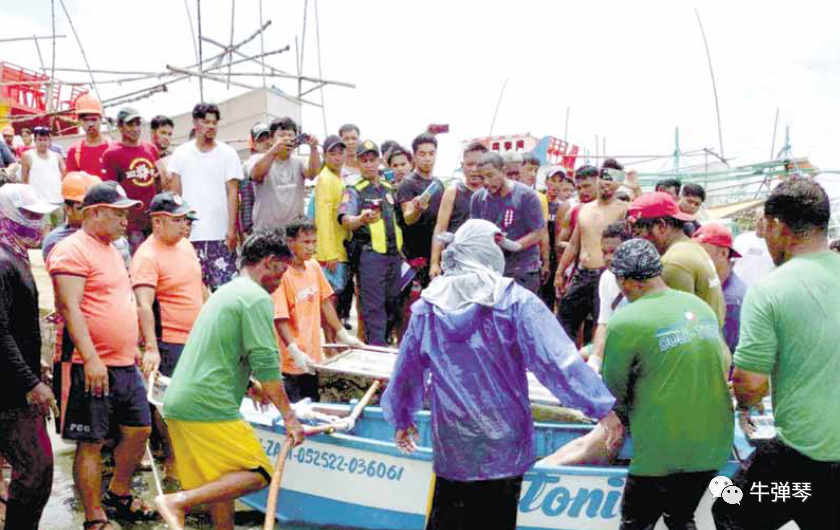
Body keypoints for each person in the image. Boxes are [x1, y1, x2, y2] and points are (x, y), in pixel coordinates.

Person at [382, 219, 623, 530]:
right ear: (485, 252)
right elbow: (559, 363)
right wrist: (602, 408)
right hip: (505, 443)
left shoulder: (429, 307)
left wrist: (403, 417)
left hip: (454, 442)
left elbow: (407, 369)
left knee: (448, 516)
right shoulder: (515, 301)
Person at [154, 228, 306, 530]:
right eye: (282, 270)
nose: (281, 280)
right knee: (259, 472)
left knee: (221, 481)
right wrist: (289, 417)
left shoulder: (228, 291)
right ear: (268, 261)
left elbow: (218, 349)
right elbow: (267, 365)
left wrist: (249, 385)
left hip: (180, 402)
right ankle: (177, 502)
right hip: (208, 405)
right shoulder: (255, 298)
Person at [713, 179, 840, 530]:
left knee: (729, 507)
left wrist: (744, 403)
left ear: (776, 227)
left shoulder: (771, 290)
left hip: (806, 456)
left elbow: (751, 384)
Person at [602, 238, 733, 530]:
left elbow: (613, 390)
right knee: (681, 518)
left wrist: (618, 417)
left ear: (623, 280)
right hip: (713, 445)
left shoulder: (626, 321)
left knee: (636, 523)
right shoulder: (699, 306)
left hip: (663, 450)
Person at [47, 181, 156, 529]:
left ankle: (119, 493)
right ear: (95, 213)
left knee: (139, 428)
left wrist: (135, 346)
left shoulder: (112, 248)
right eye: (118, 214)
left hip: (123, 361)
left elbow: (118, 302)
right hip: (87, 364)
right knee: (91, 440)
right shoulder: (71, 249)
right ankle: (95, 518)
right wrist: (90, 357)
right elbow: (69, 306)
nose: (126, 221)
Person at [0, 184, 59, 530]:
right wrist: (31, 381)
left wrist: (34, 363)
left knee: (35, 470)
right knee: (36, 469)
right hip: (11, 391)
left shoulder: (15, 256)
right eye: (31, 216)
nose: (37, 224)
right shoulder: (5, 261)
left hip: (16, 381)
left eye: (40, 216)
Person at [273, 218, 366, 402]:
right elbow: (279, 318)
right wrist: (294, 350)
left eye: (314, 242)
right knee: (295, 412)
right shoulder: (281, 275)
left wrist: (342, 334)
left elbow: (325, 302)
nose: (311, 247)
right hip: (290, 362)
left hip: (313, 356)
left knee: (312, 406)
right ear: (291, 243)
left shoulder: (314, 267)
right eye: (306, 242)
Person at [167, 103, 242, 290]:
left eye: (214, 123)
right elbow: (175, 195)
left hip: (221, 237)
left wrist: (232, 230)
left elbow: (233, 192)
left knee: (225, 291)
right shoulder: (181, 153)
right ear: (195, 122)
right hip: (189, 236)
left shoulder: (228, 153)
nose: (211, 126)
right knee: (193, 290)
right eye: (206, 122)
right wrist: (179, 228)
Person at [339, 140, 404, 346]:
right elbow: (345, 220)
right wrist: (361, 219)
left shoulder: (388, 188)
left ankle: (385, 347)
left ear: (380, 160)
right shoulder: (354, 190)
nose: (369, 164)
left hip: (395, 257)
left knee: (393, 304)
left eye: (372, 159)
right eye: (364, 160)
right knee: (373, 309)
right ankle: (377, 354)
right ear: (357, 163)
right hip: (370, 257)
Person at [629, 191, 726, 325]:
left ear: (661, 226)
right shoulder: (691, 247)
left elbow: (678, 327)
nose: (638, 240)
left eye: (639, 232)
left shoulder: (673, 263)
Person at [556, 164, 628, 342]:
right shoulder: (584, 209)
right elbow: (573, 244)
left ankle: (596, 365)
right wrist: (560, 272)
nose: (605, 185)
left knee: (601, 326)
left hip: (607, 274)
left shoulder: (624, 209)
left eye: (610, 182)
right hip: (582, 274)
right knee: (564, 321)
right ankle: (568, 365)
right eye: (603, 181)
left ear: (618, 183)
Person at [470, 152, 546, 293]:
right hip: (491, 270)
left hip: (523, 269)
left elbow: (538, 232)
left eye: (490, 175)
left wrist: (513, 245)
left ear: (503, 171)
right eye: (481, 178)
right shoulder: (478, 198)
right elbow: (474, 230)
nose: (486, 182)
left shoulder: (526, 195)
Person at [101, 107, 161, 254]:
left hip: (154, 220)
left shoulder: (151, 149)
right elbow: (110, 193)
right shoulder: (112, 154)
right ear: (120, 127)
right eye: (130, 124)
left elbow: (159, 183)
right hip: (131, 223)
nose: (135, 129)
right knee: (137, 261)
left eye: (137, 124)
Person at [429, 141, 488, 279]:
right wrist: (434, 263)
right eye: (469, 164)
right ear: (462, 166)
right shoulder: (453, 191)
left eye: (478, 165)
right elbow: (440, 229)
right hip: (455, 263)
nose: (474, 169)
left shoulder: (493, 193)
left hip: (484, 262)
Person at [250, 117, 320, 231]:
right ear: (271, 139)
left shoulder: (299, 161)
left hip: (293, 234)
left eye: (290, 135)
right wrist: (274, 150)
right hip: (265, 232)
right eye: (281, 136)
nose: (287, 139)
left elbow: (312, 174)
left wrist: (314, 148)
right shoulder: (257, 159)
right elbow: (256, 175)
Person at [396, 133, 444, 289]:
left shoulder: (438, 184)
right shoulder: (407, 184)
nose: (427, 158)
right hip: (415, 258)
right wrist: (417, 209)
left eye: (431, 153)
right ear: (414, 157)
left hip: (436, 255)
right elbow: (408, 218)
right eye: (422, 154)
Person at [694, 223, 747, 354]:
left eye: (703, 253)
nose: (696, 259)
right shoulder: (714, 285)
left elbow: (722, 350)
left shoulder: (731, 300)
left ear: (723, 253)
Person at [313, 135, 350, 307]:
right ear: (325, 155)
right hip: (331, 254)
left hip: (340, 249)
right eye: (332, 153)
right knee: (329, 298)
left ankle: (333, 334)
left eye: (340, 153)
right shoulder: (325, 178)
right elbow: (323, 217)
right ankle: (330, 335)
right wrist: (329, 253)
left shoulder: (338, 178)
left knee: (335, 296)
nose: (337, 157)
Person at [539, 167, 570, 311]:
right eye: (553, 180)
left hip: (555, 257)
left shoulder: (564, 207)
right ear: (546, 182)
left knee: (552, 298)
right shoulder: (538, 201)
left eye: (560, 181)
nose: (556, 185)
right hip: (539, 255)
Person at [239, 122, 272, 237]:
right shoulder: (247, 166)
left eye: (268, 137)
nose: (266, 142)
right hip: (259, 231)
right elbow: (246, 201)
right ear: (254, 145)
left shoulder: (284, 162)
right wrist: (248, 230)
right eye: (261, 140)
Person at [66, 94, 111, 176]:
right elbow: (71, 183)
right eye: (85, 120)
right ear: (79, 121)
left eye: (94, 119)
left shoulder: (112, 148)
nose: (90, 124)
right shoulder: (74, 152)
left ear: (101, 119)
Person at [21, 126, 66, 206]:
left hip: (57, 200)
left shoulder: (57, 156)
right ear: (35, 140)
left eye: (45, 140)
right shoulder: (27, 156)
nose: (42, 143)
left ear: (50, 141)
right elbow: (24, 180)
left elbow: (65, 175)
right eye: (40, 140)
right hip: (37, 202)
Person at [150, 115, 175, 186]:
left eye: (169, 134)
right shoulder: (143, 156)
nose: (166, 137)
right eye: (163, 133)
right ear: (152, 133)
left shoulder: (174, 158)